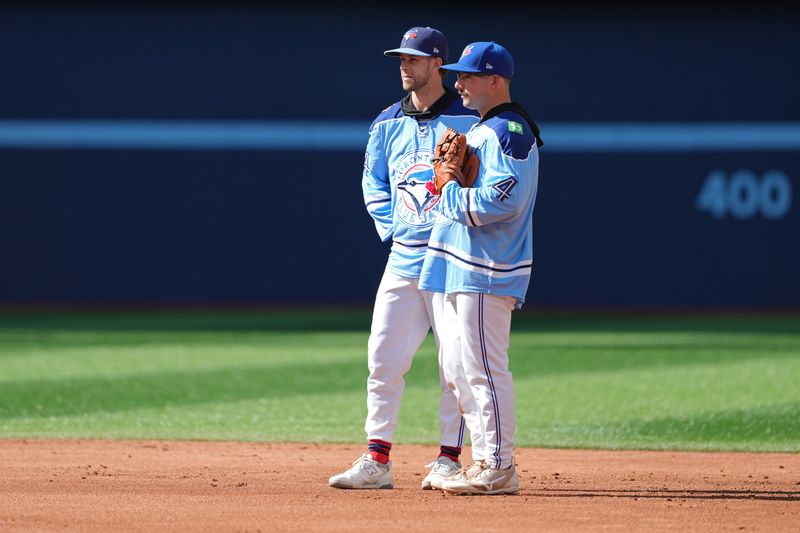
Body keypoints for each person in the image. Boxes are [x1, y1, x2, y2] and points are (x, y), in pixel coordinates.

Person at [328, 27, 481, 491]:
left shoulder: (468, 121)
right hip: (403, 257)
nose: (405, 66)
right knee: (383, 356)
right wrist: (393, 226)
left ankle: (449, 460)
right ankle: (377, 460)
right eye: (402, 58)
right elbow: (372, 182)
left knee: (453, 365)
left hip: (451, 257)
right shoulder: (386, 122)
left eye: (414, 59)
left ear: (437, 64)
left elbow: (483, 182)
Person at [418, 41, 543, 495]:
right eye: (458, 75)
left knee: (483, 369)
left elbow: (504, 200)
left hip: (486, 269)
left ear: (496, 80)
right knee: (456, 368)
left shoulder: (508, 130)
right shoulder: (485, 128)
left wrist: (449, 191)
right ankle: (487, 459)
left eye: (469, 75)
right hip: (458, 266)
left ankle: (497, 464)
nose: (458, 83)